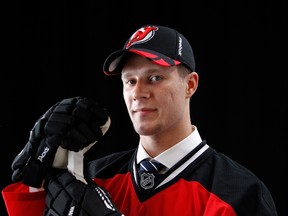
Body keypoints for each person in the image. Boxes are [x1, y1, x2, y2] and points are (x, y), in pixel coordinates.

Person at [2, 24, 278, 216]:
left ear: (190, 85)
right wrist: (35, 184)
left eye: (154, 78)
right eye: (129, 81)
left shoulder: (238, 193)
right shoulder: (92, 179)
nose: (138, 93)